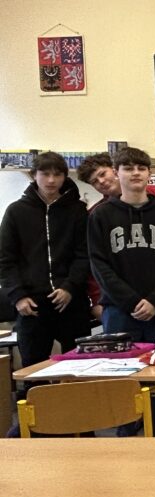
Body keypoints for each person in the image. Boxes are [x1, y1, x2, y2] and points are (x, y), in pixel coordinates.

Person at [87, 147, 155, 436]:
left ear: (149, 173)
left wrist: (154, 300)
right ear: (117, 173)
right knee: (122, 377)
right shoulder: (101, 215)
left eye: (141, 167)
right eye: (128, 168)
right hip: (119, 311)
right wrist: (131, 301)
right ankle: (126, 437)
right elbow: (99, 264)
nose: (135, 173)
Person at [0, 152, 91, 369]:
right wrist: (18, 296)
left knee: (80, 368)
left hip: (71, 301)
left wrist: (69, 287)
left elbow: (84, 254)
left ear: (64, 176)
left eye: (57, 174)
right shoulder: (16, 211)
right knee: (33, 368)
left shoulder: (78, 210)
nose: (51, 180)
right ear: (34, 175)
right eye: (45, 174)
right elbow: (5, 259)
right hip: (31, 304)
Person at [78, 151, 155, 321]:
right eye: (94, 181)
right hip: (119, 305)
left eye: (102, 174)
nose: (101, 181)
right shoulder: (97, 214)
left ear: (114, 169)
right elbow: (96, 262)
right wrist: (96, 299)